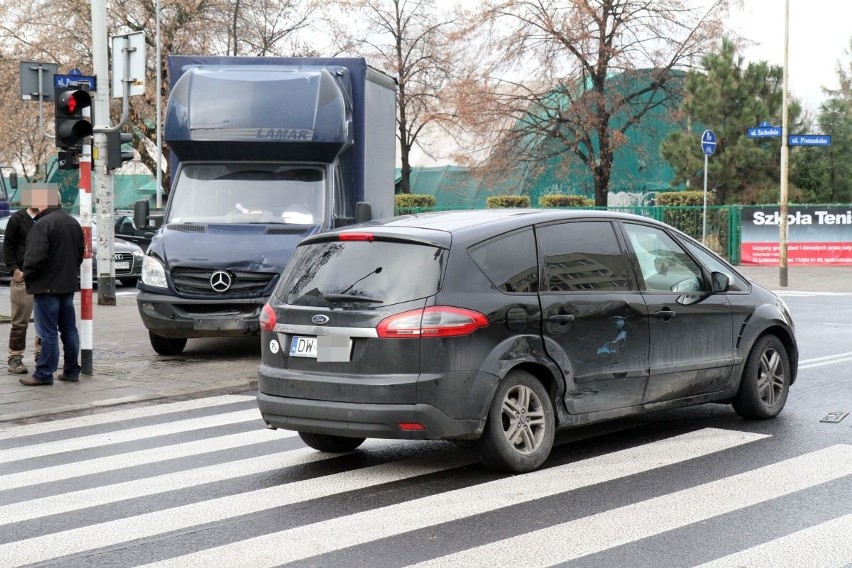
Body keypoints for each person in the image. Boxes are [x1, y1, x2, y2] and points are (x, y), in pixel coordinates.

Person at [19, 187, 84, 386]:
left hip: (46, 286)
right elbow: (79, 253)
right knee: (69, 330)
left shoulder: (43, 225)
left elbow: (35, 257)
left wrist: (26, 274)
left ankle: (44, 374)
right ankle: (72, 370)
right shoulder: (73, 223)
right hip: (66, 285)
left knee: (47, 332)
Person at [3, 192, 41, 374]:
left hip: (45, 278)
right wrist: (15, 270)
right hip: (23, 278)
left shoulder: (47, 217)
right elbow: (8, 246)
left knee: (45, 320)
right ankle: (15, 357)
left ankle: (41, 355)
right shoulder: (17, 219)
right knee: (20, 320)